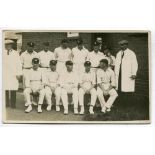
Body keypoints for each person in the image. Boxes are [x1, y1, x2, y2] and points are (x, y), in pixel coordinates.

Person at [115, 40, 138, 105]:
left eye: (123, 45)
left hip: (127, 74)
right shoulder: (118, 53)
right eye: (120, 45)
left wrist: (134, 73)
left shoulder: (131, 53)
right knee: (119, 89)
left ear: (126, 45)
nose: (121, 46)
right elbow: (117, 64)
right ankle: (121, 103)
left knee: (128, 90)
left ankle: (128, 104)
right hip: (119, 74)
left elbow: (134, 64)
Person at [4, 40, 22, 108]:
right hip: (5, 74)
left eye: (9, 45)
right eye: (6, 45)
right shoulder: (2, 52)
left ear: (11, 46)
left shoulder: (15, 53)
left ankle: (13, 104)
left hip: (13, 74)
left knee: (13, 88)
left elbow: (19, 64)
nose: (7, 46)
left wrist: (19, 73)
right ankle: (6, 103)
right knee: (5, 89)